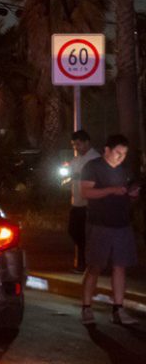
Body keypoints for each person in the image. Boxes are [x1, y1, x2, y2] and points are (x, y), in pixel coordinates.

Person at [80, 134, 141, 326]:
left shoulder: (125, 170)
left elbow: (128, 195)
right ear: (107, 150)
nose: (121, 157)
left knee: (120, 266)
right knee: (95, 266)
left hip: (122, 224)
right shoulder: (93, 167)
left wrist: (132, 195)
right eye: (117, 153)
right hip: (100, 225)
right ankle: (86, 307)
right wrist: (111, 190)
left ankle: (118, 309)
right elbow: (86, 192)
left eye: (124, 154)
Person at [62, 130, 100, 273]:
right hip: (76, 202)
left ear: (86, 142)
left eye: (78, 144)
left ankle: (86, 264)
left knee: (85, 235)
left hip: (89, 204)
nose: (76, 147)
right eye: (74, 145)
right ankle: (85, 263)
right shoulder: (76, 160)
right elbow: (70, 177)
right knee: (74, 231)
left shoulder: (95, 160)